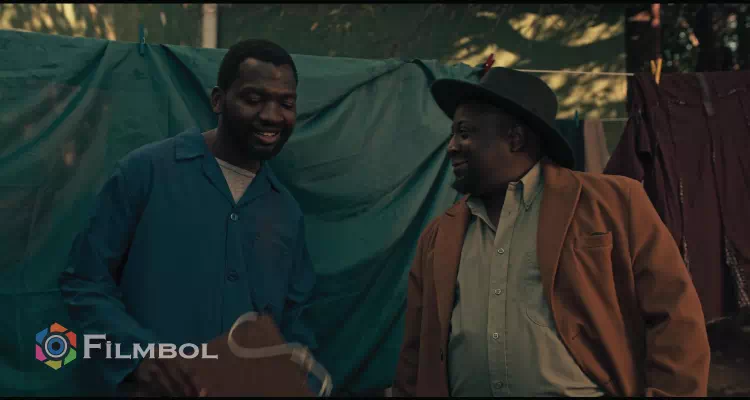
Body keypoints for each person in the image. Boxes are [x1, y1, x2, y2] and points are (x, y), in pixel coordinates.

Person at [392, 67, 710, 397]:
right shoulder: (438, 235)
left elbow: (675, 317)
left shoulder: (613, 203)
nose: (452, 146)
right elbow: (415, 351)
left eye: (464, 133)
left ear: (514, 138)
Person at [59, 39, 317, 396]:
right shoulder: (147, 172)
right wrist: (137, 356)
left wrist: (296, 372)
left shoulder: (286, 213)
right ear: (218, 100)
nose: (272, 115)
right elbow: (84, 281)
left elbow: (295, 324)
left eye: (285, 103)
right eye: (254, 99)